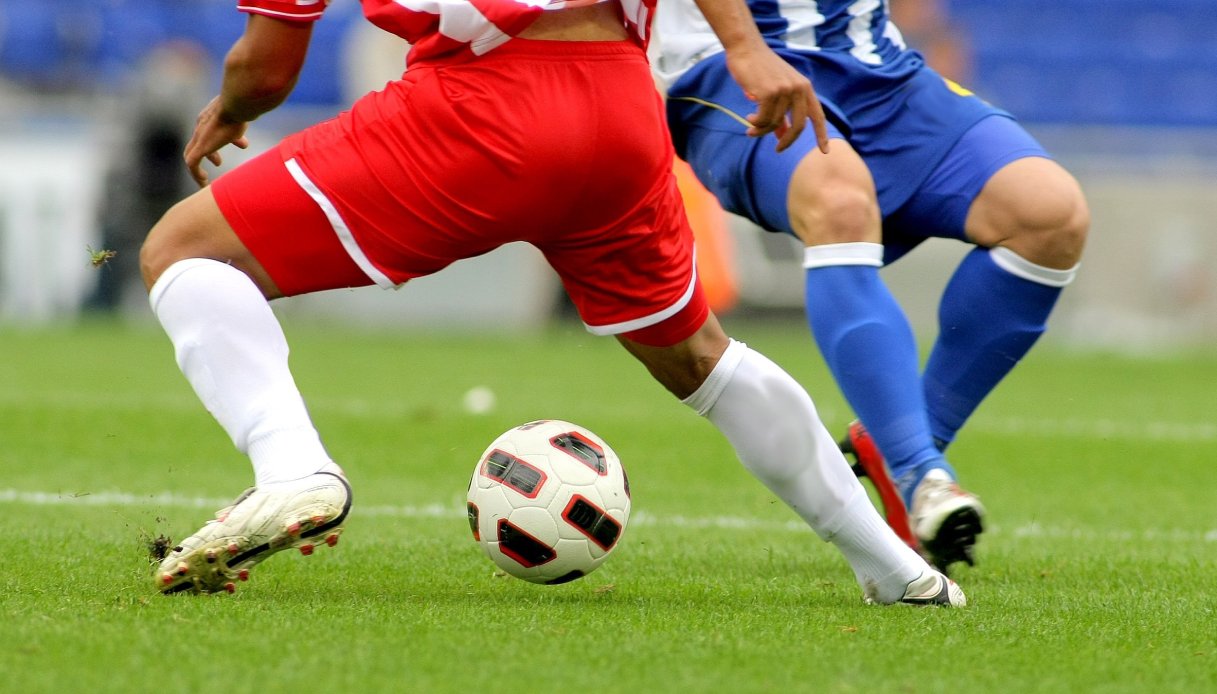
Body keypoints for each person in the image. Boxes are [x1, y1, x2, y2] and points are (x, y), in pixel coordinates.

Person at [140, 0, 965, 606]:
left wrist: (233, 109)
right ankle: (896, 571)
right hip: (618, 108)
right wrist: (745, 49)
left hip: (477, 107)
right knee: (699, 357)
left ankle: (292, 469)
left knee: (181, 250)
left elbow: (268, 66)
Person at [654, 1, 1089, 571]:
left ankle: (895, 444)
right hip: (729, 65)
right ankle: (921, 477)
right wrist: (744, 46)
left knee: (1050, 214)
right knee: (838, 203)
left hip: (876, 64)